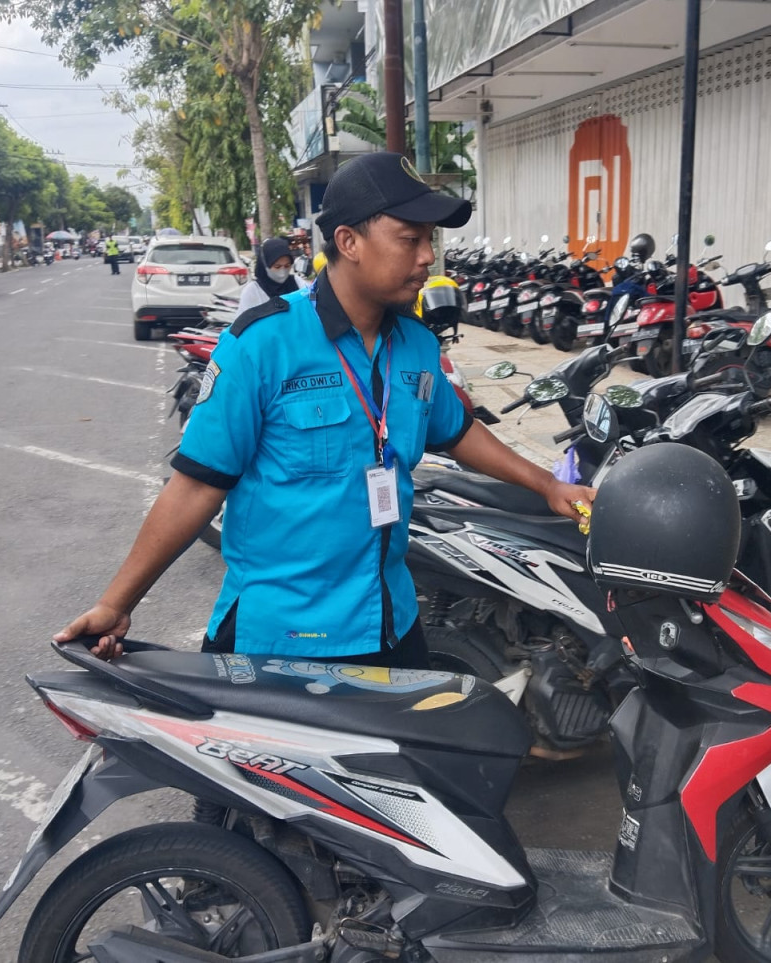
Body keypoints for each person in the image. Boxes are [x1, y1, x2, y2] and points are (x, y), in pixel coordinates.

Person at [56, 151, 596, 668]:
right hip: (281, 643)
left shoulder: (417, 346)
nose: (428, 256)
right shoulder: (262, 343)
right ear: (348, 241)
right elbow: (197, 485)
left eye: (429, 240)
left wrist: (548, 486)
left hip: (390, 624)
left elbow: (456, 432)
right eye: (410, 239)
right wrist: (117, 603)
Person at [236, 236, 307, 313]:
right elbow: (242, 321)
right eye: (277, 266)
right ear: (265, 265)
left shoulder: (297, 282)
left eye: (287, 266)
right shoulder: (253, 291)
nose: (282, 271)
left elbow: (313, 297)